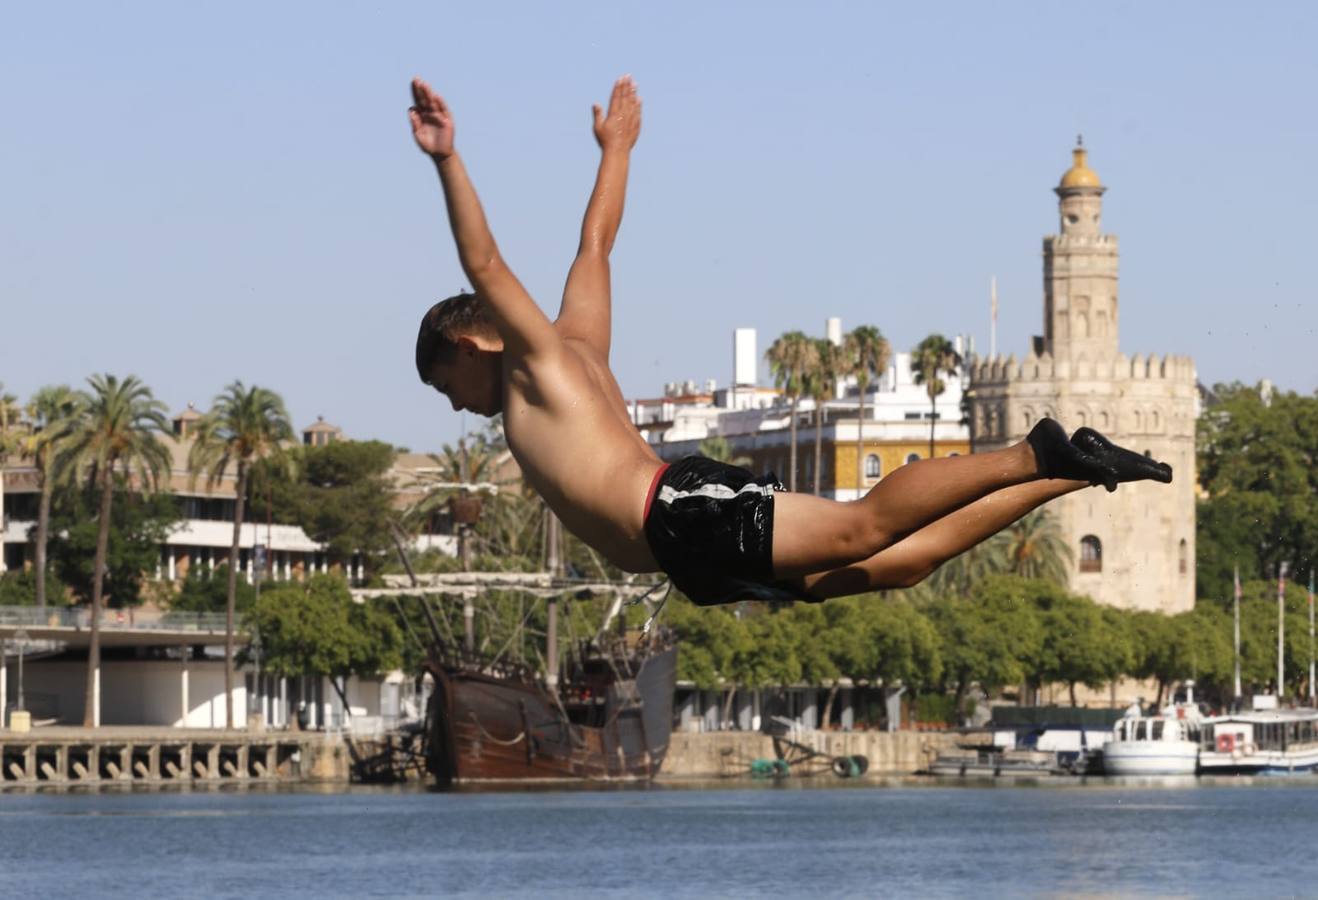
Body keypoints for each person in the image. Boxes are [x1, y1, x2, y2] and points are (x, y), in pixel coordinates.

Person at [408, 75, 1172, 608]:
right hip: (685, 554)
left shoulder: (537, 365)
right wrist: (616, 152)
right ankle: (1073, 472)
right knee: (900, 565)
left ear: (469, 346)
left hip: (680, 514)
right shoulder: (577, 342)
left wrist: (448, 160)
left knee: (862, 526)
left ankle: (1031, 454)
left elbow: (485, 261)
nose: (454, 408)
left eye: (446, 387)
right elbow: (596, 246)